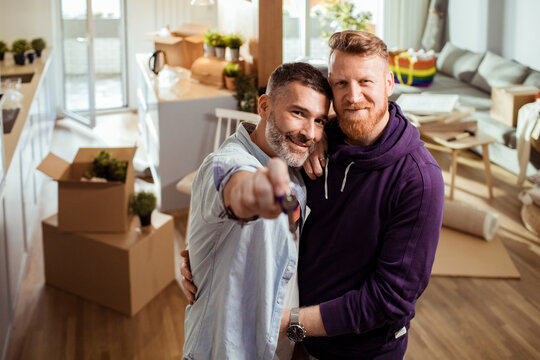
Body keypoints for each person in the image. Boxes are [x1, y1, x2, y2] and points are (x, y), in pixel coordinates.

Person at [182, 30, 445, 360]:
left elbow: (390, 300)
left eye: (366, 82)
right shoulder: (314, 147)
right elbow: (233, 180)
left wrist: (289, 325)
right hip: (297, 346)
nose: (353, 96)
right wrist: (207, 253)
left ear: (389, 84)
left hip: (359, 351)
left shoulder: (420, 179)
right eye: (341, 84)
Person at [182, 62, 332, 360]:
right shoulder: (225, 162)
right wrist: (253, 196)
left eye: (319, 121)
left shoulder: (295, 163)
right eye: (298, 113)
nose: (309, 132)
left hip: (280, 348)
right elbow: (237, 186)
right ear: (264, 106)